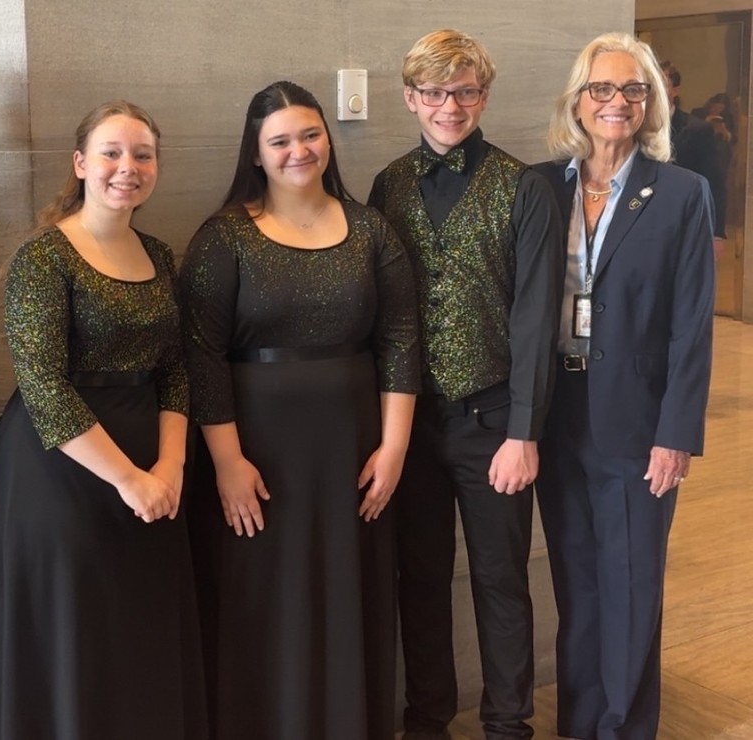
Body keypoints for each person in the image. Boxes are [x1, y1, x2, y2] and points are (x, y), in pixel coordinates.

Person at [180, 80, 419, 740]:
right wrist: (227, 463)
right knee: (265, 597)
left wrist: (395, 447)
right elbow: (200, 354)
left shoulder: (371, 229)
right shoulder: (224, 236)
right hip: (257, 455)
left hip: (353, 450)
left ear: (327, 140)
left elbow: (401, 338)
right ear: (256, 153)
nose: (299, 150)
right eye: (280, 140)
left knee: (348, 591)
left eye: (310, 134)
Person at [0, 101, 206, 740]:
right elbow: (43, 386)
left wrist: (170, 467)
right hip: (60, 475)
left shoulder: (160, 254)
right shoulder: (44, 257)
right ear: (80, 164)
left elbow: (176, 369)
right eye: (111, 153)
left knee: (137, 632)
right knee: (73, 634)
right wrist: (130, 479)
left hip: (154, 473)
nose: (128, 167)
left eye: (143, 155)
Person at [367, 29, 563, 740]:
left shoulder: (524, 187)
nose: (450, 107)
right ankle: (427, 720)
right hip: (412, 426)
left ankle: (508, 725)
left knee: (501, 581)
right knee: (419, 580)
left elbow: (537, 319)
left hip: (495, 424)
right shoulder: (388, 185)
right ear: (410, 97)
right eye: (435, 92)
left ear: (484, 95)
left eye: (466, 91)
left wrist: (524, 432)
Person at [534, 32, 714, 739]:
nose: (617, 101)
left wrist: (676, 435)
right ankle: (579, 724)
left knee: (631, 585)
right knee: (576, 582)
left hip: (638, 421)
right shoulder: (543, 187)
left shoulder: (681, 193)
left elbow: (692, 326)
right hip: (557, 412)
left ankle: (623, 728)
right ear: (578, 100)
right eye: (602, 88)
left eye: (633, 89)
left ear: (650, 102)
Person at [660, 61, 728, 257]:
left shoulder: (697, 129)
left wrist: (717, 233)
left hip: (686, 224)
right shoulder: (635, 127)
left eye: (662, 84)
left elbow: (714, 181)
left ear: (675, 90)